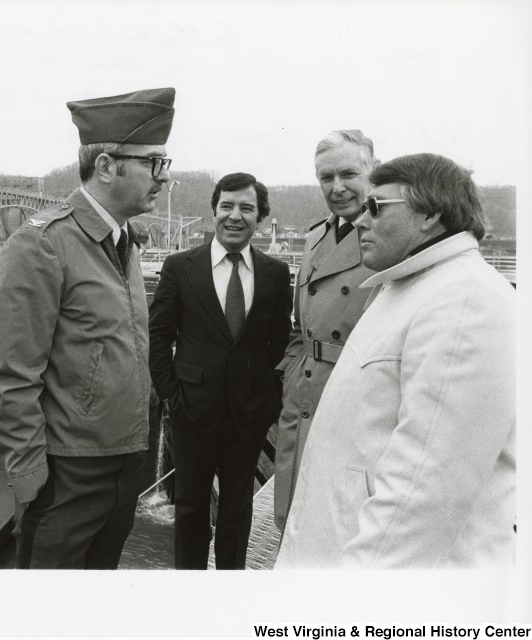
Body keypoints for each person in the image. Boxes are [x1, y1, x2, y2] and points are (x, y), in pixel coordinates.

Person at [275, 153, 515, 568]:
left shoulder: (466, 301)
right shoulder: (411, 287)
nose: (360, 220)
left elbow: (424, 492)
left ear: (430, 214)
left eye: (375, 206)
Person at [0, 87, 176, 569]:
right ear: (106, 166)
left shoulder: (123, 241)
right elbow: (6, 375)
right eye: (154, 163)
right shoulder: (43, 245)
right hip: (68, 475)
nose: (164, 177)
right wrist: (33, 482)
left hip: (126, 463)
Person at [148, 172, 292, 569]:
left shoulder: (275, 273)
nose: (235, 216)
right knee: (191, 509)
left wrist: (269, 401)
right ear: (214, 211)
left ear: (260, 217)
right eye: (226, 206)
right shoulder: (180, 267)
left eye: (246, 208)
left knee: (237, 509)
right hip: (192, 411)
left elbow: (281, 343)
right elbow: (157, 337)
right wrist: (172, 397)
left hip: (248, 415)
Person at [272, 130, 378, 532]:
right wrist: (291, 374)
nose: (337, 188)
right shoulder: (316, 237)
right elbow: (300, 324)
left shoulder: (387, 237)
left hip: (352, 392)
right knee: (291, 510)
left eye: (348, 174)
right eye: (326, 178)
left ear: (373, 171)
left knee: (334, 521)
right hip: (303, 389)